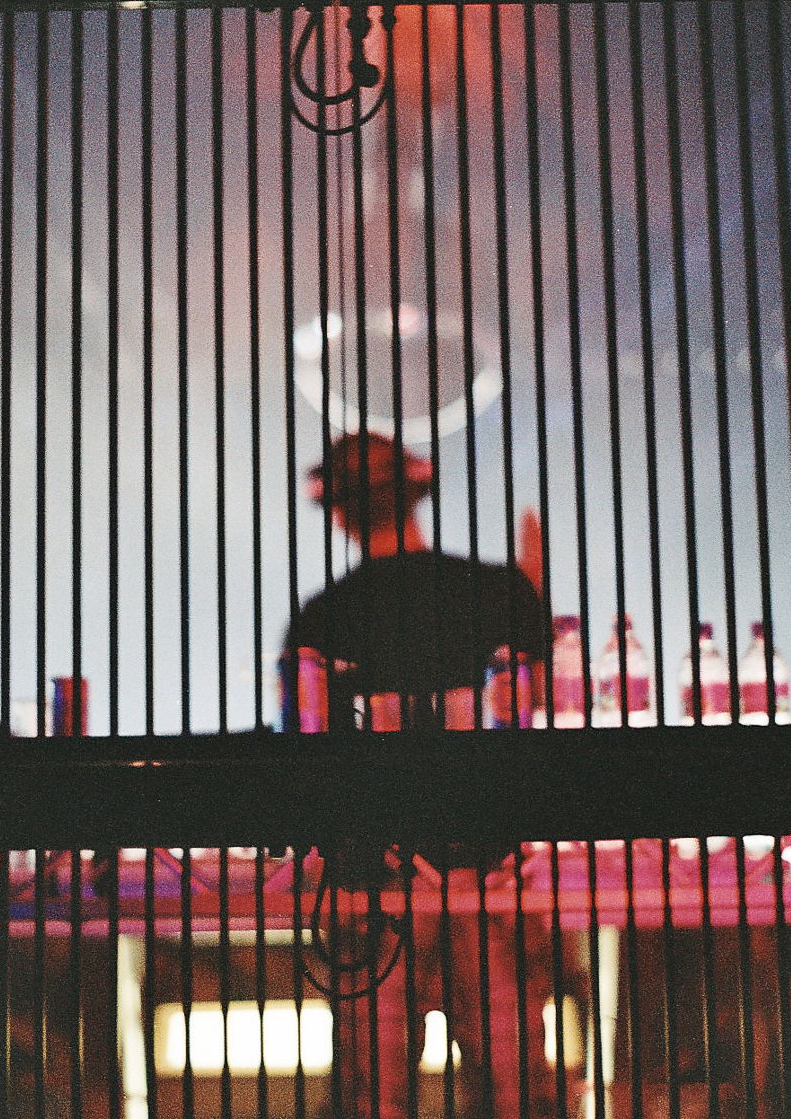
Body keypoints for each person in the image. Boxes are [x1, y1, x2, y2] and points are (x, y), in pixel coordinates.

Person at [280, 430, 557, 1119]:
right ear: (416, 492)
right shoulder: (496, 591)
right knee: (514, 1083)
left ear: (338, 512)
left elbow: (303, 746)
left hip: (376, 876)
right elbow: (536, 706)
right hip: (492, 867)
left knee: (377, 1092)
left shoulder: (324, 618)